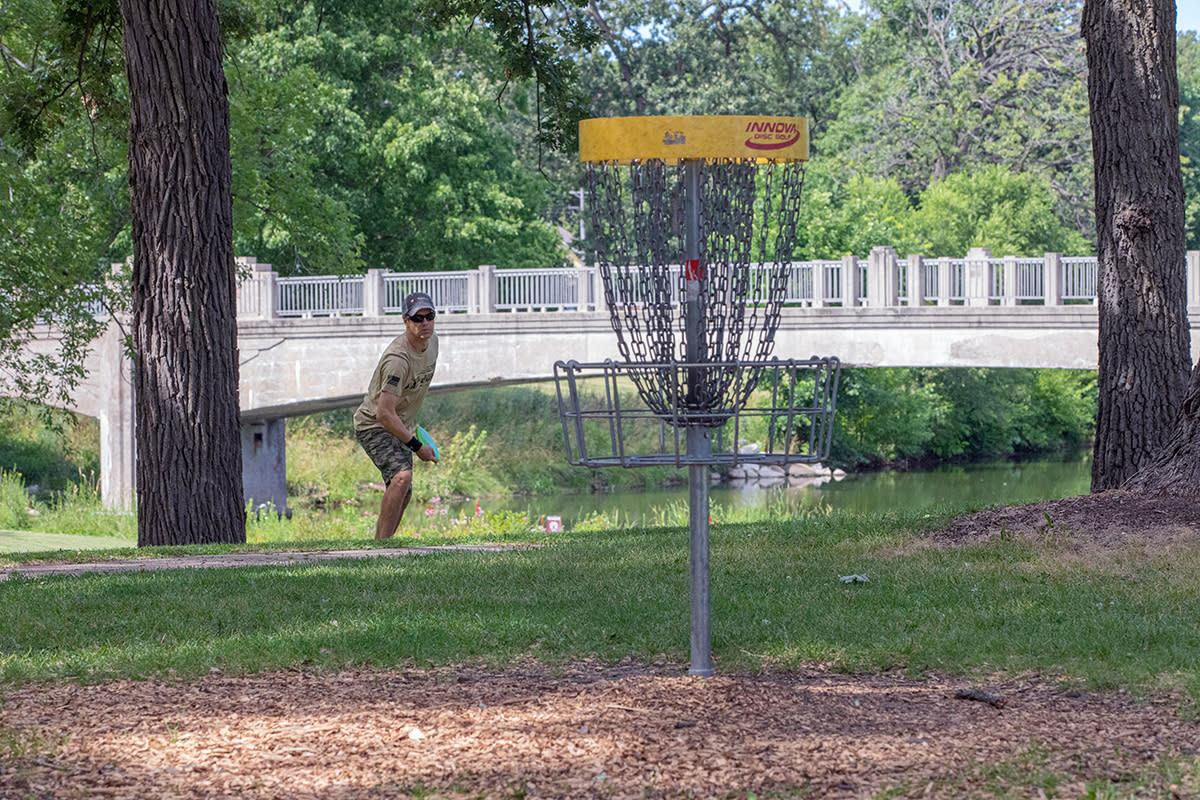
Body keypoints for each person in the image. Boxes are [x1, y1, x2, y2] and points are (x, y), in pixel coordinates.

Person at [354, 291, 439, 539]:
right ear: (406, 321)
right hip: (373, 424)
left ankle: (384, 546)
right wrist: (417, 446)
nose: (424, 323)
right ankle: (380, 548)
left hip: (397, 422)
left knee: (404, 490)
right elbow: (383, 414)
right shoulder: (397, 361)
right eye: (417, 319)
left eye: (429, 316)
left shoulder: (433, 342)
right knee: (401, 477)